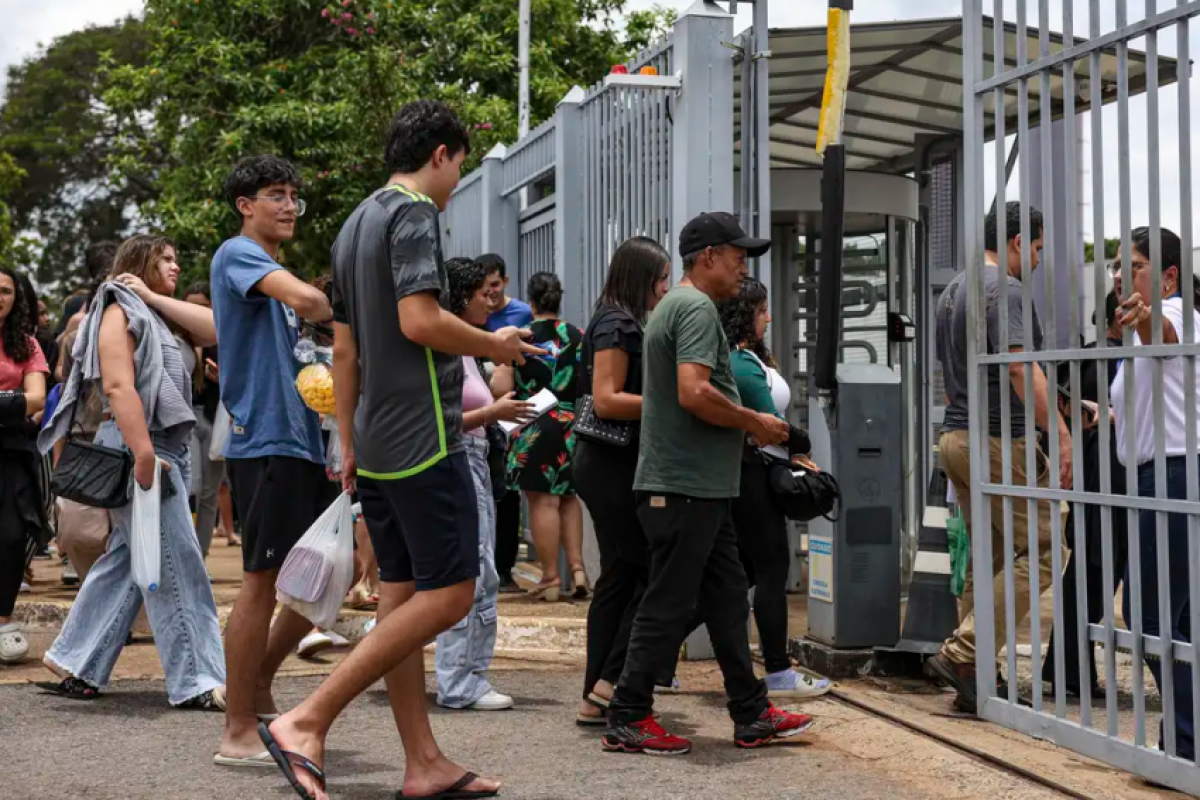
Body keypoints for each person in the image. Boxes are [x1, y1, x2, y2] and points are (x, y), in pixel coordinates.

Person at [258, 100, 538, 800]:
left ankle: (423, 764)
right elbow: (419, 319)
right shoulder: (414, 212)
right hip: (427, 435)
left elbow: (344, 347)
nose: (457, 180)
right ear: (440, 154)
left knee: (401, 600)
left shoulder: (355, 223)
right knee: (451, 596)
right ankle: (307, 718)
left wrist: (348, 441)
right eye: (460, 164)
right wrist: (494, 343)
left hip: (378, 442)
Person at [603, 212, 813, 756]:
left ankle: (750, 712)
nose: (744, 269)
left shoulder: (678, 306)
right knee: (667, 603)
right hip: (684, 487)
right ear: (707, 257)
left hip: (701, 488)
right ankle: (628, 714)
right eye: (738, 257)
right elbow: (694, 392)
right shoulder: (694, 307)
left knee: (725, 602)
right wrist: (755, 422)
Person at [37, 235, 226, 706]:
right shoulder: (118, 310)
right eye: (165, 259)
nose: (176, 266)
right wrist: (143, 453)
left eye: (177, 259)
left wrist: (154, 295)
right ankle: (198, 679)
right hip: (140, 444)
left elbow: (219, 328)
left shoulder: (156, 312)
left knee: (128, 561)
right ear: (139, 263)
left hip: (162, 446)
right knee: (177, 565)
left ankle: (78, 661)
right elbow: (119, 386)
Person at [211, 155, 336, 766]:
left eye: (294, 196)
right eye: (276, 195)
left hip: (299, 441)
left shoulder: (265, 268)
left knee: (319, 580)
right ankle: (236, 730)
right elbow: (312, 302)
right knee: (259, 584)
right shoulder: (240, 255)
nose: (288, 206)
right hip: (264, 440)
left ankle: (258, 686)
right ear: (245, 205)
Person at [925, 201, 1071, 714]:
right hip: (995, 439)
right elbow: (1016, 368)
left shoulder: (953, 291)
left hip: (957, 437)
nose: (1036, 260)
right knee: (1050, 546)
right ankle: (964, 651)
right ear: (1015, 243)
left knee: (987, 556)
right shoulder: (1004, 289)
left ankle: (976, 672)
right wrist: (1060, 431)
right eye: (1035, 248)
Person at [717, 277, 832, 700]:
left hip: (758, 471)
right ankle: (779, 672)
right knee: (770, 570)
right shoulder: (742, 363)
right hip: (753, 478)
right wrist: (800, 444)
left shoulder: (749, 357)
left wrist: (793, 452)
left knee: (740, 573)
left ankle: (655, 662)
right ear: (745, 313)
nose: (769, 316)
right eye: (762, 309)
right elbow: (770, 424)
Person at [574, 237, 671, 724]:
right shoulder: (616, 323)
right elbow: (608, 399)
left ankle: (599, 689)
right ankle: (610, 683)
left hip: (606, 462)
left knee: (619, 574)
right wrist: (668, 401)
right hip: (610, 463)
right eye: (661, 278)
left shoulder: (616, 318)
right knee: (649, 570)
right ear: (641, 277)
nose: (665, 288)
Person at [1110, 226, 1197, 762]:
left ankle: (1186, 745)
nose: (1122, 275)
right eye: (1120, 266)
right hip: (1153, 475)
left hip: (1173, 475)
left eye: (1135, 265)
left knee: (1147, 615)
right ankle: (1182, 743)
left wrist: (1147, 320)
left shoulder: (1179, 314)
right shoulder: (1132, 335)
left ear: (1168, 276)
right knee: (1176, 619)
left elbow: (1166, 335)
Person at [436, 256, 536, 711]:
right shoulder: (445, 347)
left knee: (482, 571)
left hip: (474, 458)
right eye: (482, 292)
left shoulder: (464, 347)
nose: (490, 298)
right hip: (460, 460)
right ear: (461, 298)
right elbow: (438, 420)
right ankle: (461, 680)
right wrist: (492, 414)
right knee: (474, 573)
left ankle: (469, 674)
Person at [1042, 290, 1127, 697]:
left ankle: (1067, 668)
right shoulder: (1120, 359)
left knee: (1088, 575)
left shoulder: (1083, 358)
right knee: (1098, 576)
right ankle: (1068, 669)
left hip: (1089, 479)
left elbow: (1061, 410)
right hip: (1115, 480)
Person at [493, 272, 587, 601]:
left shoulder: (519, 337)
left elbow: (502, 388)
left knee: (542, 501)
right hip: (570, 422)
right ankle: (577, 567)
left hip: (534, 422)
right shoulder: (578, 336)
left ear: (531, 303)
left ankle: (549, 576)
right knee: (568, 497)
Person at [0, 267, 49, 665]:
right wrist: (13, 400)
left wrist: (12, 403)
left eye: (5, 291)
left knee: (13, 536)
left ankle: (4, 618)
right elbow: (24, 399)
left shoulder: (27, 344)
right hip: (13, 430)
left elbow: (38, 399)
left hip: (13, 451)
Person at [480, 253, 532, 595]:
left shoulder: (523, 314)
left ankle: (504, 567)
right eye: (484, 289)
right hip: (479, 410)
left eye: (495, 286)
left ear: (506, 282)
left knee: (507, 491)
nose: (491, 294)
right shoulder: (473, 316)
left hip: (510, 411)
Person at [182, 282, 225, 559]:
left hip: (213, 418)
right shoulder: (176, 339)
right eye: (191, 306)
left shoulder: (221, 339)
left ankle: (201, 555)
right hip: (185, 421)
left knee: (210, 493)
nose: (196, 312)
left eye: (203, 307)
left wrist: (222, 379)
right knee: (190, 489)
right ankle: (185, 554)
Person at [482, 253, 533, 332]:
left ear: (505, 281)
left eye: (494, 284)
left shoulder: (525, 312)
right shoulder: (473, 315)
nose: (490, 291)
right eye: (484, 286)